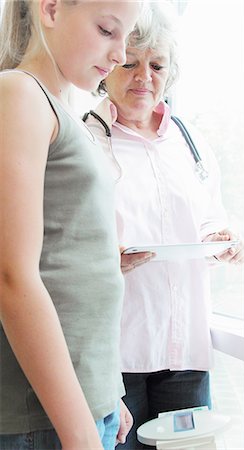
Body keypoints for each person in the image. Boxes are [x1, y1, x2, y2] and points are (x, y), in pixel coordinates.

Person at [85, 2, 244, 449]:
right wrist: (104, 259)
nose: (144, 77)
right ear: (108, 66)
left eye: (156, 65)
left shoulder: (190, 144)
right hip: (118, 353)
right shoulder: (85, 140)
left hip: (185, 354)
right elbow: (65, 244)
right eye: (131, 63)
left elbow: (210, 214)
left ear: (170, 73)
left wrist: (220, 238)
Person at [0, 1, 144, 449]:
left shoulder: (66, 112)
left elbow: (74, 266)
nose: (121, 54)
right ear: (51, 9)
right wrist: (79, 432)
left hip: (81, 404)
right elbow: (12, 276)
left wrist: (104, 391)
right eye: (107, 29)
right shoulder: (19, 94)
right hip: (45, 418)